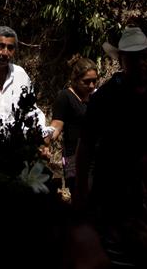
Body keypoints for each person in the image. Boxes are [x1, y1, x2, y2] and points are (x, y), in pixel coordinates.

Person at [74, 27, 147, 269]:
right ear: (122, 61)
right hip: (117, 194)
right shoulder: (105, 98)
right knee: (123, 253)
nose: (140, 63)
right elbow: (85, 146)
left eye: (144, 57)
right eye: (133, 58)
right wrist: (82, 193)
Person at [50, 55, 98, 194]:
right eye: (86, 82)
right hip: (74, 157)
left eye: (94, 81)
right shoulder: (65, 97)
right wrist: (45, 140)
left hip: (94, 156)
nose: (91, 85)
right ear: (75, 80)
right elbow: (57, 124)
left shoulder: (95, 97)